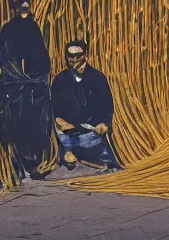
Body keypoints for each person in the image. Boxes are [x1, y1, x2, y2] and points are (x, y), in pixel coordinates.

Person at [0, 0, 54, 180]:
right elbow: (7, 60)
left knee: (39, 123)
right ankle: (24, 165)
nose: (22, 6)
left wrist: (39, 79)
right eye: (18, 2)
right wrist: (21, 80)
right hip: (17, 88)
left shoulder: (34, 27)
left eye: (24, 1)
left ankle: (36, 162)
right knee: (19, 123)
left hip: (37, 86)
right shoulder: (9, 29)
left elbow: (41, 57)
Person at [51, 40, 120, 171]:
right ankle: (69, 156)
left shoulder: (98, 78)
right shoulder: (60, 80)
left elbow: (107, 107)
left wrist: (103, 124)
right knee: (67, 155)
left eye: (78, 56)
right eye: (70, 57)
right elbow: (56, 109)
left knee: (107, 161)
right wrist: (62, 123)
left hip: (91, 133)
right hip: (68, 134)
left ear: (85, 55)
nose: (74, 60)